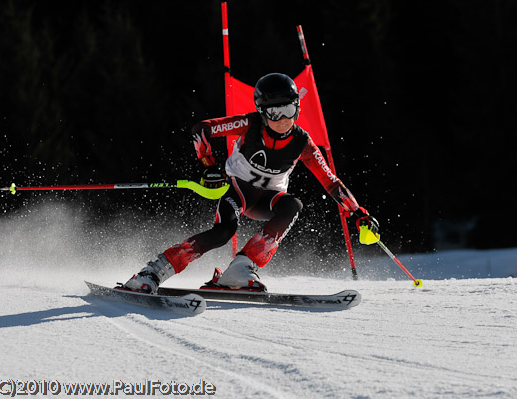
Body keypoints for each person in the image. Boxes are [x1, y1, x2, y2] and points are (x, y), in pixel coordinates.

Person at [122, 73, 379, 293]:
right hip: (239, 190)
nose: (283, 120)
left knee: (293, 205)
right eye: (275, 112)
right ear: (262, 112)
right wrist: (208, 166)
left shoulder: (304, 143)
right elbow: (201, 129)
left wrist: (357, 212)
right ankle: (151, 273)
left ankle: (242, 268)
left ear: (297, 108)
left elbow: (331, 182)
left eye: (289, 110)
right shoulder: (249, 124)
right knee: (223, 232)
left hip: (269, 199)